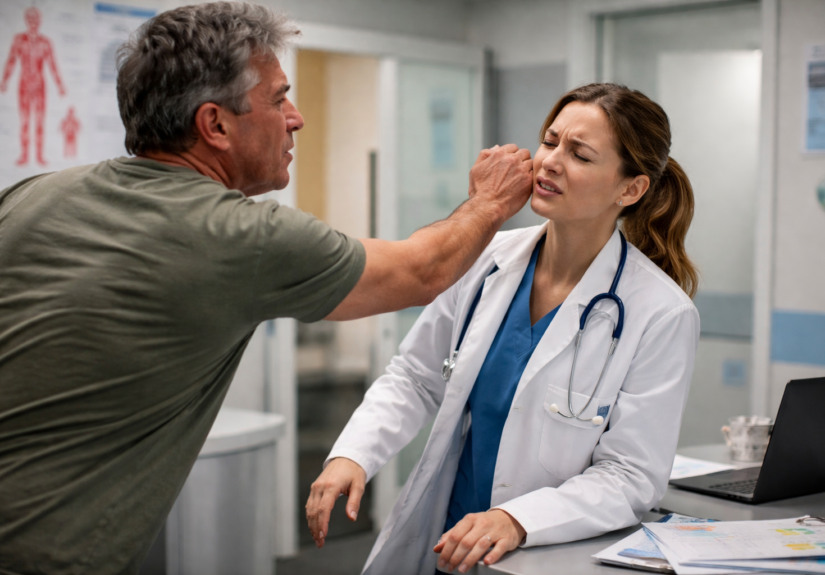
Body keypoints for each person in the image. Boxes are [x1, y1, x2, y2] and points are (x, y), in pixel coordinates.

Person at [0, 4, 533, 574]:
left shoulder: (30, 196)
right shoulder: (239, 235)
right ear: (215, 125)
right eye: (279, 99)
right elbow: (422, 272)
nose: (295, 118)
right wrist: (491, 202)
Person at [308, 83, 701, 574]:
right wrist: (354, 453)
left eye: (579, 154)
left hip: (542, 551)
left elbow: (630, 476)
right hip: (448, 542)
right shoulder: (486, 259)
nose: (550, 162)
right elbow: (415, 376)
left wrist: (517, 519)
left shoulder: (661, 312)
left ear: (631, 188)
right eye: (550, 141)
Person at [0, 7, 66, 166]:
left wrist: (60, 85)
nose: (33, 23)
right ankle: (24, 155)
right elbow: (11, 61)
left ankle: (39, 155)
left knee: (39, 122)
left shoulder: (45, 42)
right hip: (23, 84)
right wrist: (4, 81)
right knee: (24, 122)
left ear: (39, 21)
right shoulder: (18, 40)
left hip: (39, 85)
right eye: (30, 19)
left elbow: (52, 65)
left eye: (35, 19)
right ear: (26, 20)